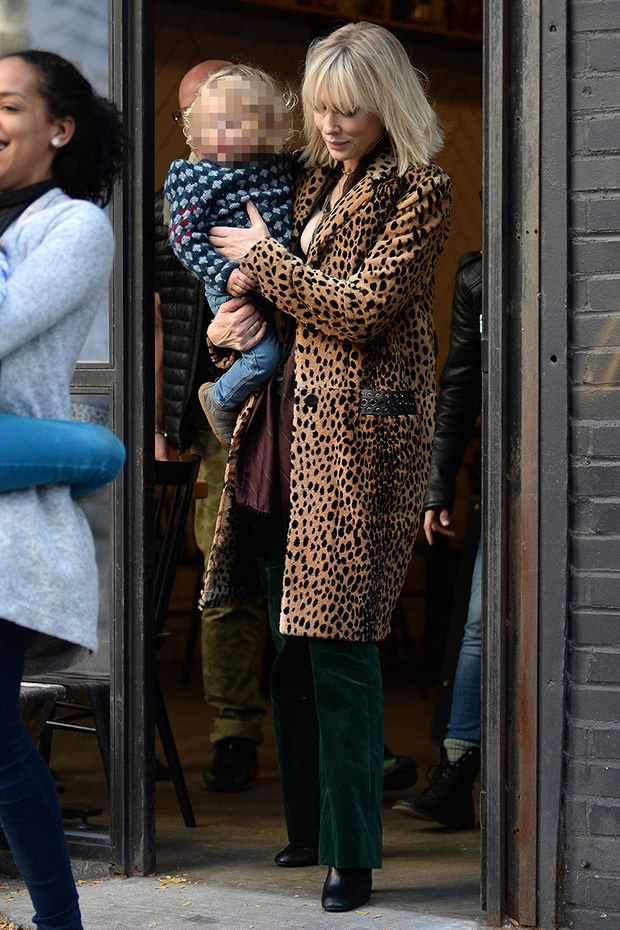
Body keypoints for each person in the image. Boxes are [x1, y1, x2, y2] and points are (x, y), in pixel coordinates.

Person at [200, 22, 451, 912]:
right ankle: (306, 827)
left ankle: (354, 854)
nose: (334, 125)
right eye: (322, 109)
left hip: (354, 452)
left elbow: (364, 308)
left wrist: (265, 261)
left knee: (341, 651)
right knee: (287, 653)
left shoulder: (419, 191)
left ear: (390, 104)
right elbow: (267, 295)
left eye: (352, 109)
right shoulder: (307, 180)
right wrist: (230, 320)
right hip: (277, 440)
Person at [0, 48, 124, 930]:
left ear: (59, 127)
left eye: (7, 106)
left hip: (9, 527)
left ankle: (59, 919)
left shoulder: (73, 228)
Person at [155, 60, 267, 792]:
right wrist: (166, 417)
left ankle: (308, 725)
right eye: (192, 115)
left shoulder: (273, 186)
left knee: (291, 572)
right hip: (205, 419)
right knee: (223, 575)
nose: (205, 130)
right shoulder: (174, 199)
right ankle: (234, 731)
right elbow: (158, 313)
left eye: (217, 114)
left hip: (282, 402)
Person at [393, 250, 482, 829]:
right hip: (509, 476)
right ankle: (459, 771)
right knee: (478, 621)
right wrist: (437, 484)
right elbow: (459, 386)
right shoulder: (478, 277)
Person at [164, 63, 295, 445]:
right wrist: (225, 275)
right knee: (264, 358)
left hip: (280, 285)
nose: (222, 136)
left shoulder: (278, 166)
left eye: (236, 124)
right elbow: (185, 239)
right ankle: (219, 399)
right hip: (230, 284)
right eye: (213, 124)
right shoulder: (195, 177)